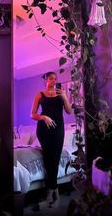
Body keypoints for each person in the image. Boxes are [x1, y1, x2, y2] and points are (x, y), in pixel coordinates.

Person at [30, 71, 72, 209]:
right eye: (50, 78)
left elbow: (69, 111)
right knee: (49, 159)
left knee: (54, 158)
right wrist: (44, 117)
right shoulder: (40, 95)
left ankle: (50, 195)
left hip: (58, 130)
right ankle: (54, 196)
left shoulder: (61, 94)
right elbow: (33, 114)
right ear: (46, 81)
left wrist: (65, 96)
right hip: (43, 130)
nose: (53, 80)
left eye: (55, 78)